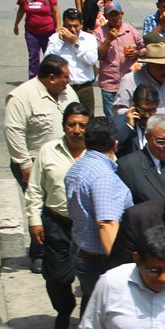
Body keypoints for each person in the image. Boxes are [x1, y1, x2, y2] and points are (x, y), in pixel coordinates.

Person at [25, 102, 89, 329]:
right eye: (72, 124)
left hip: (88, 225)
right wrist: (34, 219)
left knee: (91, 278)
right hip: (57, 222)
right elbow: (34, 189)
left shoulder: (98, 154)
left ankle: (87, 324)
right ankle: (64, 309)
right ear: (64, 126)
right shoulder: (48, 151)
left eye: (82, 125)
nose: (77, 130)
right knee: (57, 277)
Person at [65, 116, 134, 304]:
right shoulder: (104, 177)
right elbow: (106, 225)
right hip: (99, 261)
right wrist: (120, 270)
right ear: (115, 143)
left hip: (82, 252)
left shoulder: (77, 168)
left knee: (92, 305)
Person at [5, 54, 74, 195]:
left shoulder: (68, 92)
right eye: (65, 77)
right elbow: (14, 131)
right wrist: (25, 165)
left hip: (66, 161)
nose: (69, 80)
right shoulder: (21, 97)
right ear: (52, 78)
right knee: (40, 207)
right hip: (37, 165)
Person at [44, 9, 99, 114]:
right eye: (69, 26)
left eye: (76, 26)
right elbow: (48, 62)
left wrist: (75, 44)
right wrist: (60, 41)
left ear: (81, 25)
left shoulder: (89, 39)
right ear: (63, 25)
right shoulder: (55, 39)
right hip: (63, 89)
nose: (73, 30)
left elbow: (92, 60)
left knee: (88, 123)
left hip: (84, 88)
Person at [96, 3, 143, 114]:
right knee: (112, 120)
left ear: (122, 14)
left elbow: (144, 49)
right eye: (111, 15)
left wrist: (137, 53)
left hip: (130, 83)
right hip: (110, 84)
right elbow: (98, 56)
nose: (114, 18)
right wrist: (108, 40)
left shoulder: (130, 31)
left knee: (131, 117)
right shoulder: (99, 33)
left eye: (116, 14)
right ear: (106, 17)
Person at [112, 41, 165, 118]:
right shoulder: (130, 80)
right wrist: (132, 114)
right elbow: (118, 110)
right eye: (160, 67)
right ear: (149, 65)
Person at [14, 0, 60, 79]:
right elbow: (21, 11)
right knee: (33, 58)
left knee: (50, 58)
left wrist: (58, 28)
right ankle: (33, 80)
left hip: (48, 32)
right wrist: (16, 25)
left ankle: (50, 79)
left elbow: (56, 12)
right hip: (31, 33)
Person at [113, 84, 160, 159]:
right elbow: (112, 148)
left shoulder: (159, 124)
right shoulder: (118, 123)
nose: (147, 115)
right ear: (133, 105)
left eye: (152, 111)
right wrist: (128, 127)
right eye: (143, 110)